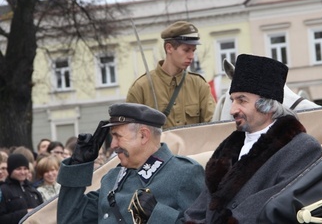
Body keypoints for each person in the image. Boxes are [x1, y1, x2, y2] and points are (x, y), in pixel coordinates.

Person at [183, 54, 322, 223]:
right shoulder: (228, 148)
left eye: (242, 101)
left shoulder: (302, 149)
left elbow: (269, 210)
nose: (232, 110)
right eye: (232, 100)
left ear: (267, 105)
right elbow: (197, 211)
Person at [57, 103, 205, 223]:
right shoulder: (112, 178)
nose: (113, 145)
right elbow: (69, 219)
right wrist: (78, 165)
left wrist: (157, 215)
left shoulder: (184, 173)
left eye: (117, 136)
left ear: (143, 135)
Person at [126, 21, 216, 129]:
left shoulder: (199, 85)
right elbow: (129, 133)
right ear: (169, 48)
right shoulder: (141, 88)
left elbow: (213, 125)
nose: (192, 56)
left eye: (193, 50)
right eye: (186, 50)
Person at [0, 153, 43, 224]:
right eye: (18, 169)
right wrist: (25, 213)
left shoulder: (33, 190)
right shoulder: (3, 191)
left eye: (25, 169)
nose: (22, 172)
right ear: (10, 170)